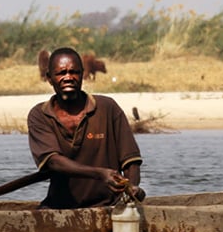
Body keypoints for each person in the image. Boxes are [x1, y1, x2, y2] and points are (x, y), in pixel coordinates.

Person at [27, 47, 144, 209]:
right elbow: (54, 162)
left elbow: (130, 161)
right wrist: (100, 174)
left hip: (110, 206)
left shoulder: (107, 108)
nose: (68, 78)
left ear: (82, 74)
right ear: (49, 78)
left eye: (73, 72)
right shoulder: (40, 115)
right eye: (61, 73)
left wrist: (131, 188)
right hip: (60, 208)